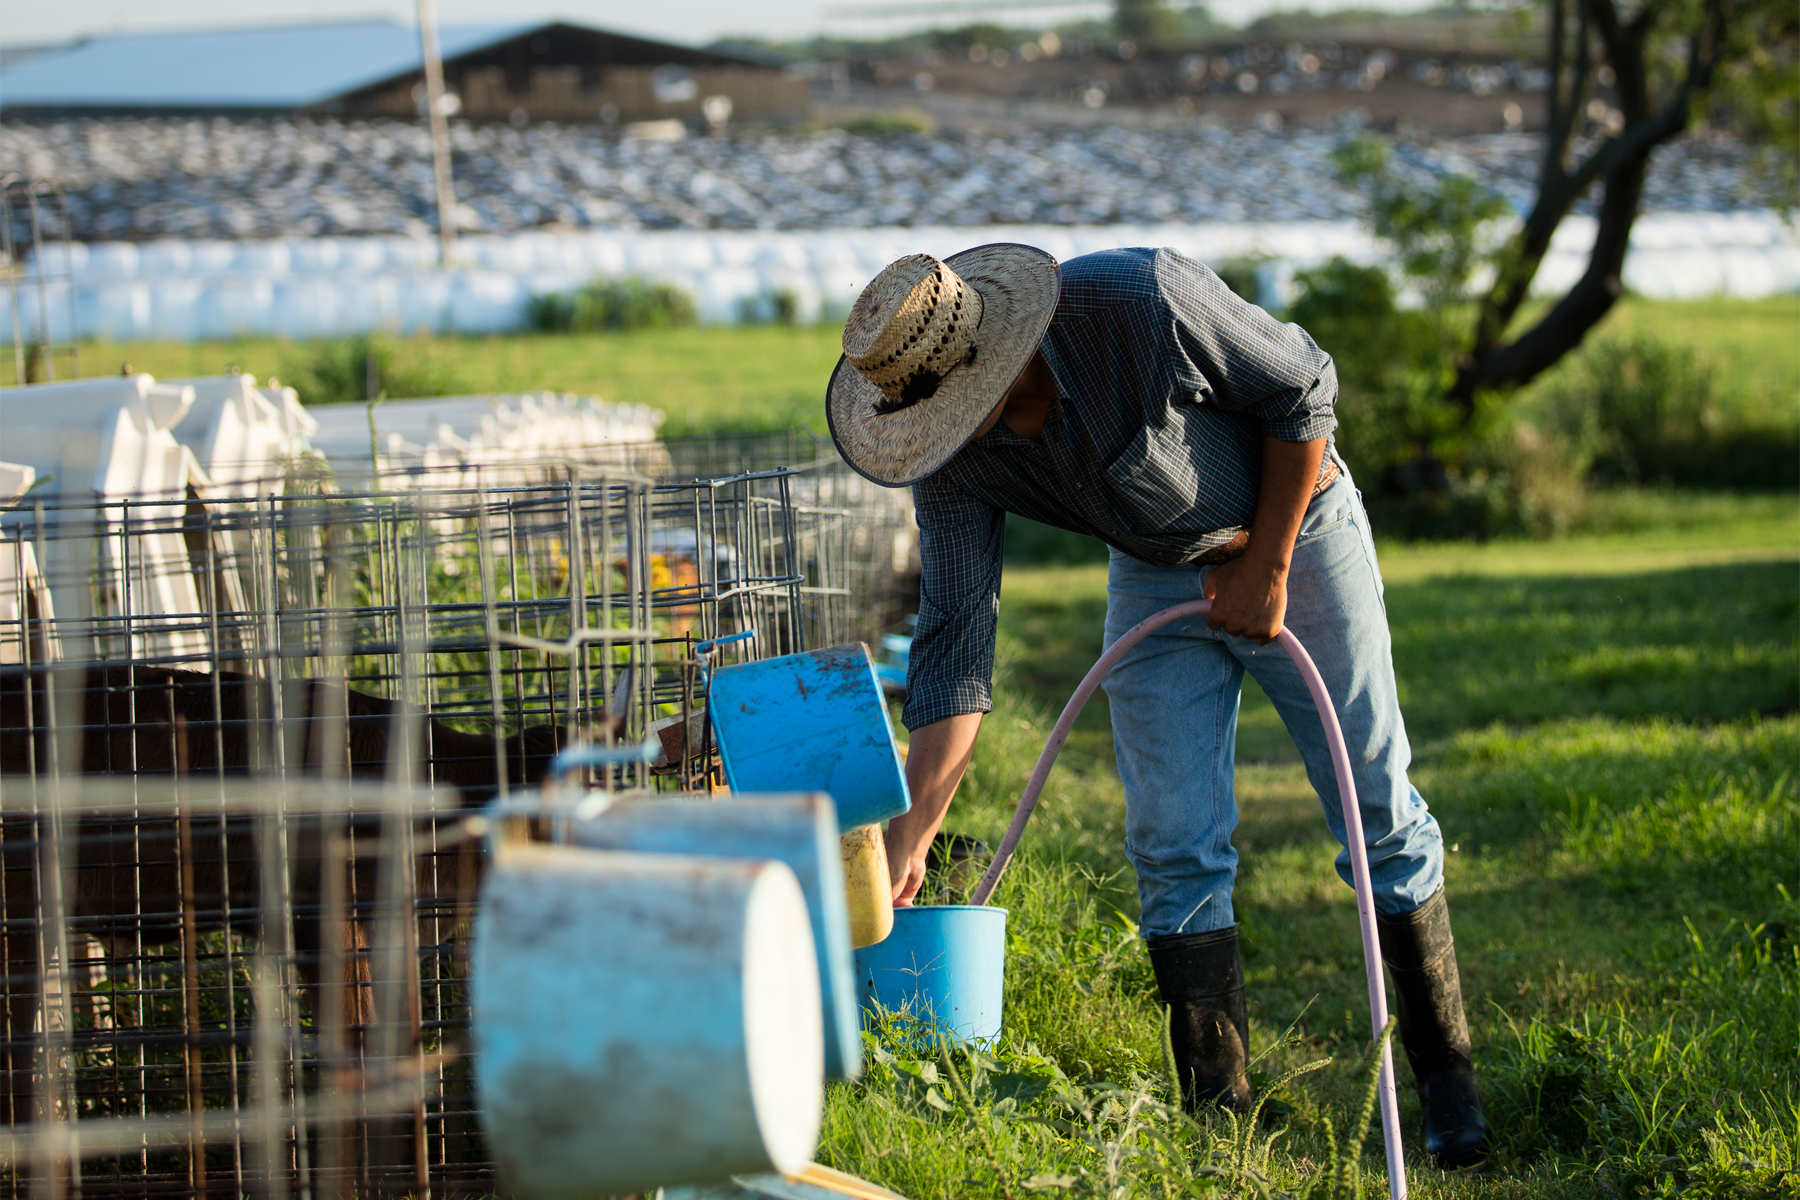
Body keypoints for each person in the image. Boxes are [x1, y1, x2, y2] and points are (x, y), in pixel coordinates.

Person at [824, 245, 1489, 1168]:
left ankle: (1448, 1084)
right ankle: (1220, 1122)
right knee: (1172, 844)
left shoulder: (1139, 304)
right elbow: (955, 643)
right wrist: (915, 827)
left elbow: (1305, 390)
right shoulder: (952, 463)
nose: (955, 436)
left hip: (1300, 523)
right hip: (1155, 569)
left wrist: (1267, 566)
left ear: (1000, 353)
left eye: (958, 413)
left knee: (1375, 805)